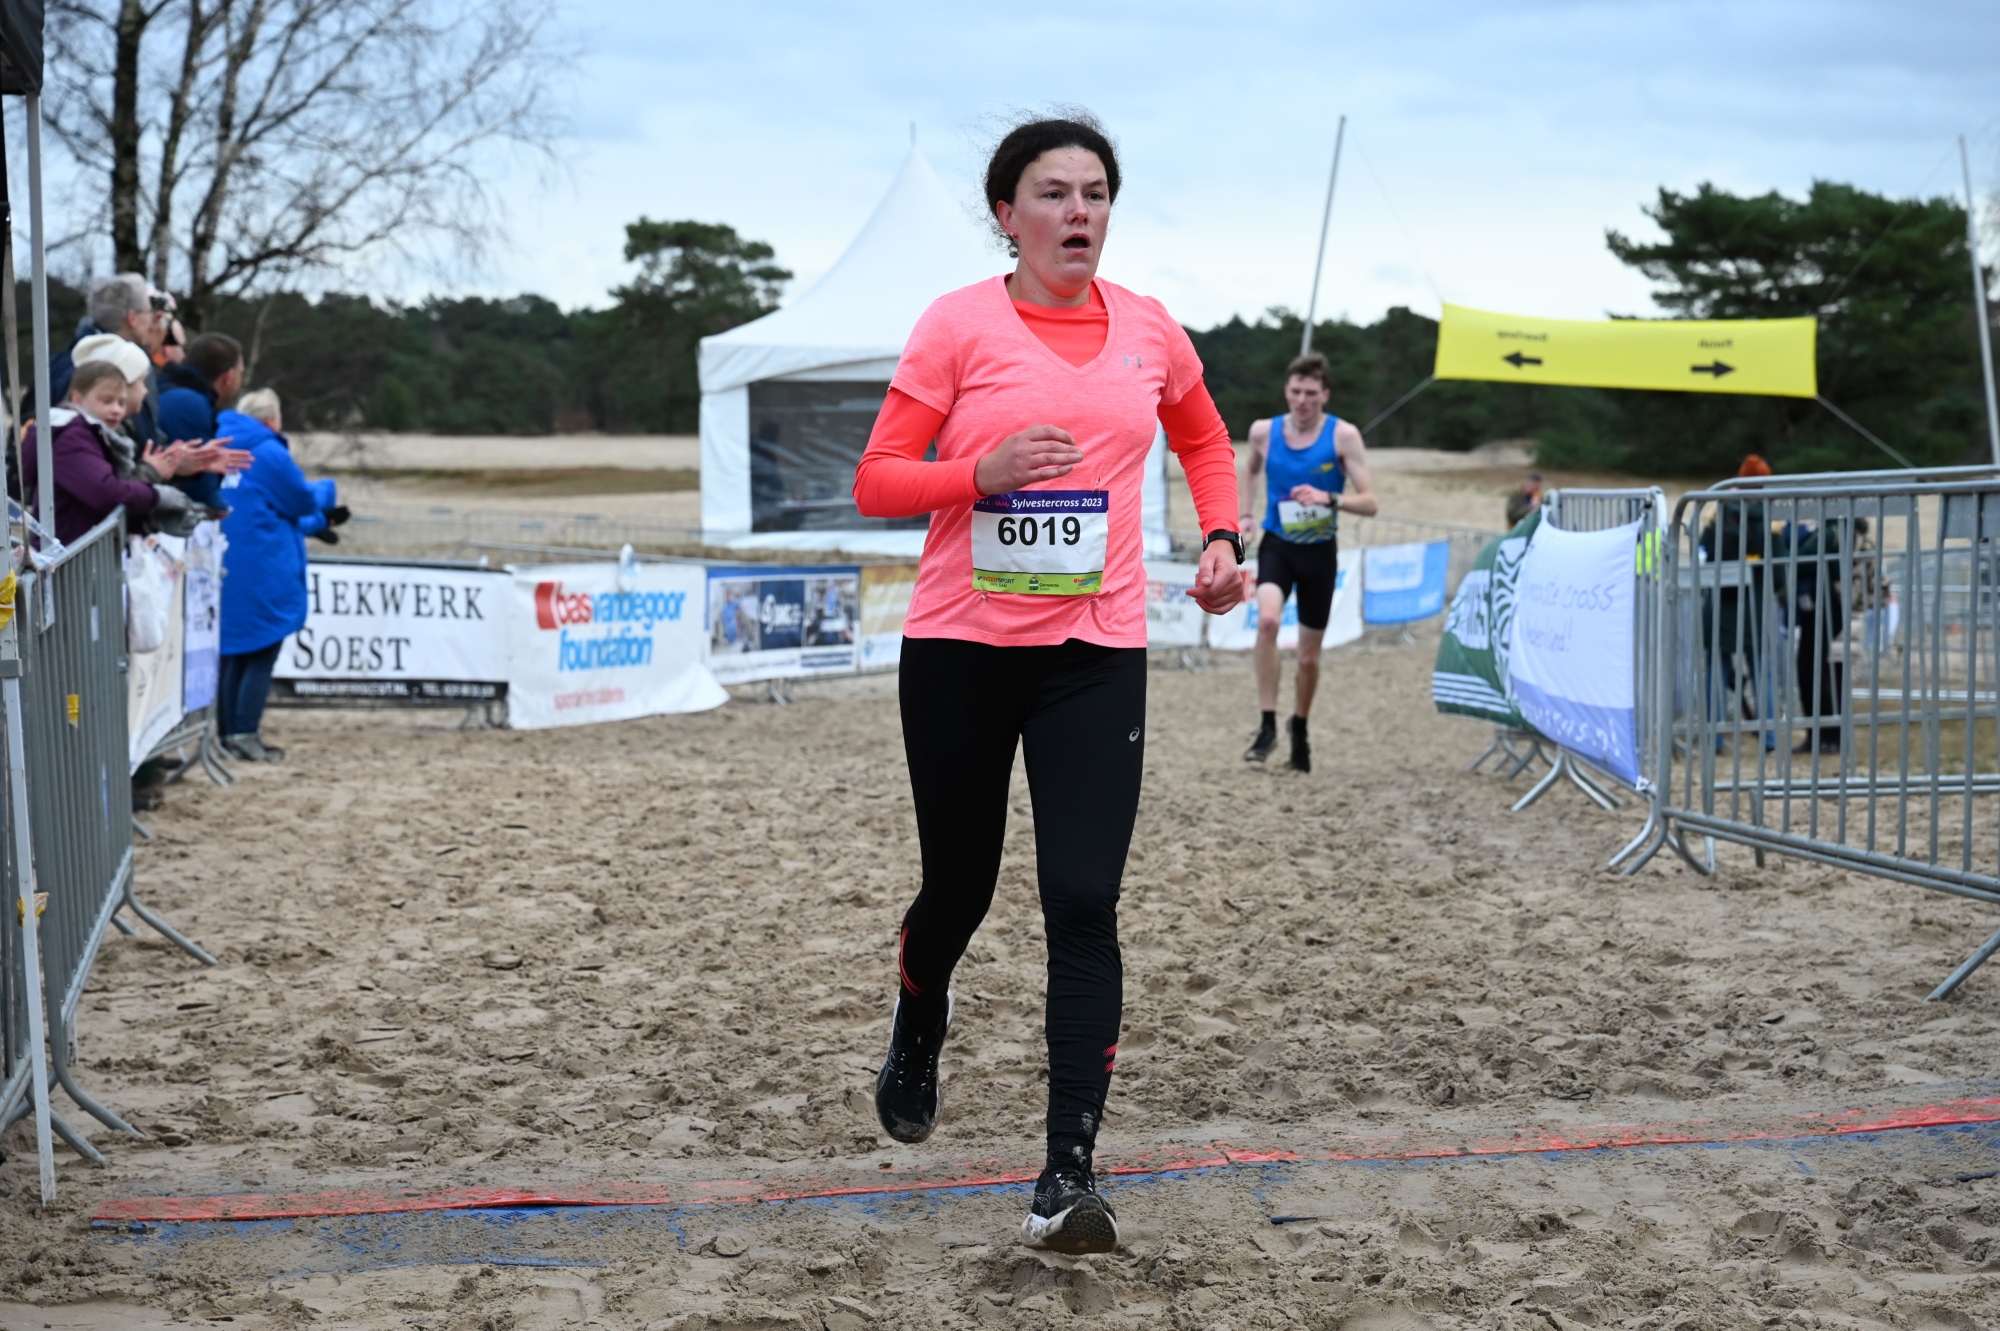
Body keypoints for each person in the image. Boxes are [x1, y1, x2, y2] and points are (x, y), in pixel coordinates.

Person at [851, 114, 1242, 1255]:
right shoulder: (956, 325)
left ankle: (1067, 1174)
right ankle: (919, 1012)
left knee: (1081, 899)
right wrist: (980, 470)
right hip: (961, 650)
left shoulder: (1150, 328)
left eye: (1096, 192)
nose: (1079, 211)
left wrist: (1221, 538)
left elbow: (1205, 441)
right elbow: (877, 479)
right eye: (1055, 192)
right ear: (1006, 214)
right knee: (959, 889)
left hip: (1093, 652)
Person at [1237, 351, 1378, 772]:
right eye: (1296, 392)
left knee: (1308, 658)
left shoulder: (1343, 436)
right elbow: (1250, 470)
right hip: (1278, 544)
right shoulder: (1264, 431)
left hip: (1319, 552)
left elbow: (1370, 502)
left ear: (1325, 395)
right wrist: (1245, 515)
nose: (1302, 401)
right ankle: (1266, 726)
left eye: (1311, 393)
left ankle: (1299, 727)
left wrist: (1328, 497)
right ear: (1286, 391)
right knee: (1267, 621)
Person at [214, 389, 347, 762]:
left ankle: (228, 735)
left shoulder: (217, 443)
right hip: (262, 573)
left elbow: (267, 513)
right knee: (260, 651)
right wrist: (326, 491)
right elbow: (300, 499)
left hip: (225, 565)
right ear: (272, 419)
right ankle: (245, 733)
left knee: (233, 656)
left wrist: (318, 523)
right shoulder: (268, 451)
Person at [18, 361, 197, 543]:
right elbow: (104, 493)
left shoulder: (93, 435)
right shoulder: (71, 437)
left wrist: (147, 522)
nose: (116, 410)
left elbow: (92, 508)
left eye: (121, 403)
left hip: (76, 546)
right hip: (68, 550)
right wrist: (156, 495)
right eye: (107, 401)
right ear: (77, 399)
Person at [157, 332, 246, 513]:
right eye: (240, 374)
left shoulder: (167, 389)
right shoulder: (190, 404)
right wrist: (219, 506)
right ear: (228, 377)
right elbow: (199, 483)